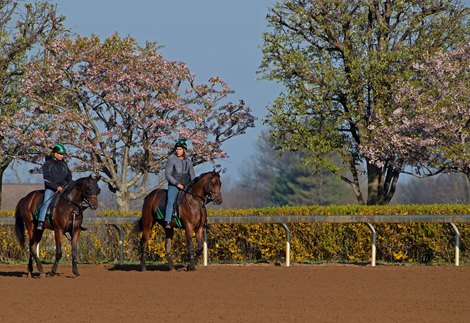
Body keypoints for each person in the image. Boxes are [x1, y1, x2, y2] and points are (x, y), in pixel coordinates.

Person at [37, 143, 72, 230]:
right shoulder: (47, 164)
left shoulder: (64, 164)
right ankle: (41, 221)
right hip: (51, 188)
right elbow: (47, 179)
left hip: (64, 187)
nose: (62, 156)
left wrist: (68, 183)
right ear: (55, 153)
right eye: (60, 154)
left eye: (63, 154)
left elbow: (69, 175)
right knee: (46, 202)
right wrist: (56, 187)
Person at [164, 139, 195, 229]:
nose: (178, 151)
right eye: (177, 149)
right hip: (174, 185)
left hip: (186, 185)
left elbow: (192, 175)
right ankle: (168, 220)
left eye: (180, 149)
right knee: (170, 201)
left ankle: (203, 221)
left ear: (184, 150)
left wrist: (193, 185)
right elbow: (167, 174)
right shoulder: (171, 159)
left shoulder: (188, 162)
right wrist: (177, 184)